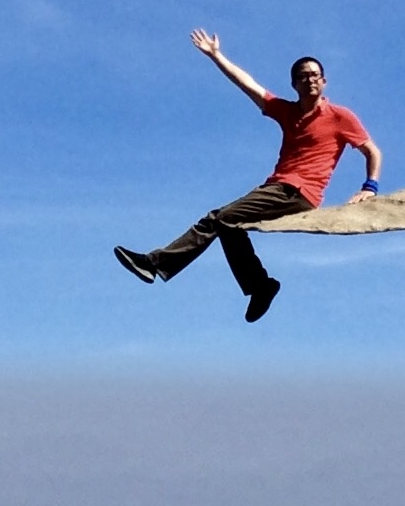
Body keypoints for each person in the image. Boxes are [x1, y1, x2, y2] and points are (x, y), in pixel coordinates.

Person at [114, 30, 382, 322]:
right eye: (304, 76)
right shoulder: (287, 112)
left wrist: (369, 187)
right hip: (276, 188)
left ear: (324, 80)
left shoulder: (340, 116)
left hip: (298, 192)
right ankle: (260, 286)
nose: (311, 80)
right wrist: (216, 56)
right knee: (229, 226)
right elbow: (249, 86)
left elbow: (372, 152)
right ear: (294, 83)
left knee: (218, 218)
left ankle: (155, 264)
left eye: (316, 75)